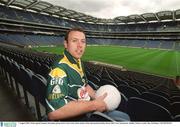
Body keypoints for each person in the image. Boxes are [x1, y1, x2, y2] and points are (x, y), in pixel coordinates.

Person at [45, 27, 130, 121]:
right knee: (124, 119)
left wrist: (97, 95)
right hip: (75, 119)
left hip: (84, 108)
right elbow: (54, 112)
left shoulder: (77, 61)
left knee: (124, 117)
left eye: (83, 41)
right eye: (74, 41)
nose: (79, 45)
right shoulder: (59, 69)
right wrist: (94, 105)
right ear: (66, 44)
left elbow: (84, 85)